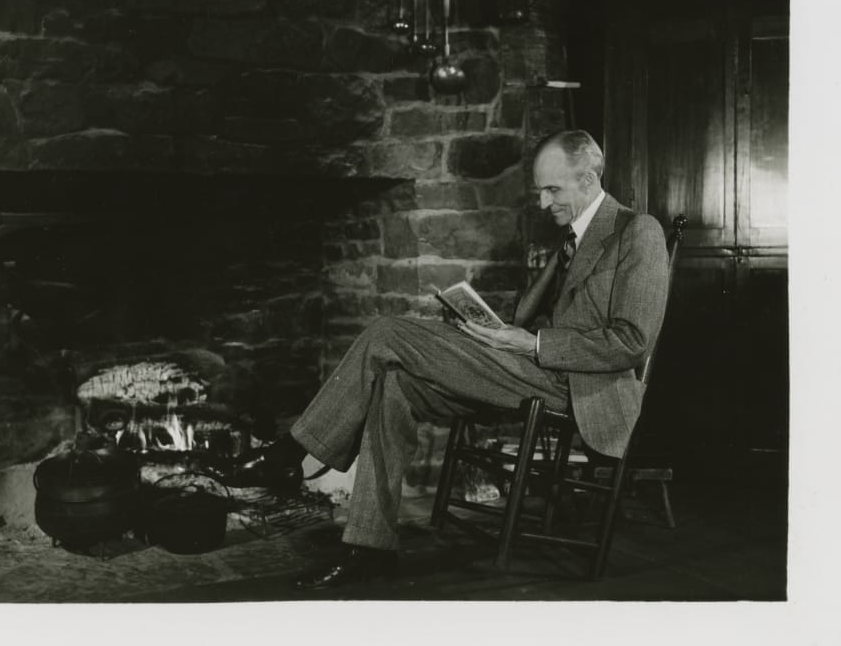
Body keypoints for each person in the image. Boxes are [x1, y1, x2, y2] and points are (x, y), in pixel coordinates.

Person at [230, 129, 671, 589]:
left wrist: (533, 344)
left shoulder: (636, 231)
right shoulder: (569, 238)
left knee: (386, 332)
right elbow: (526, 317)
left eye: (552, 190)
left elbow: (631, 341)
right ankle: (369, 548)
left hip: (577, 386)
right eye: (540, 190)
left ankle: (290, 453)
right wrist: (488, 328)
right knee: (393, 384)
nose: (543, 203)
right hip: (528, 370)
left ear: (588, 179)